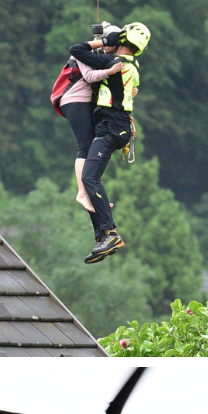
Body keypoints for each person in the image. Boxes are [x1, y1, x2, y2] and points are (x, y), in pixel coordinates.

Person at [69, 22, 152, 263]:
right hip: (117, 127)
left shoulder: (113, 63)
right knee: (89, 180)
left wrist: (105, 41)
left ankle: (109, 232)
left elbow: (76, 49)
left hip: (111, 129)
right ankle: (102, 236)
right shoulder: (132, 65)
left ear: (122, 39)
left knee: (88, 178)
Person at [54, 23, 127, 211]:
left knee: (95, 146)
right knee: (84, 146)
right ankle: (82, 193)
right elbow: (89, 76)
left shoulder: (103, 56)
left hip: (85, 102)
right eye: (115, 43)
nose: (117, 47)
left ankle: (93, 194)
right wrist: (111, 72)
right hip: (74, 99)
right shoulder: (84, 53)